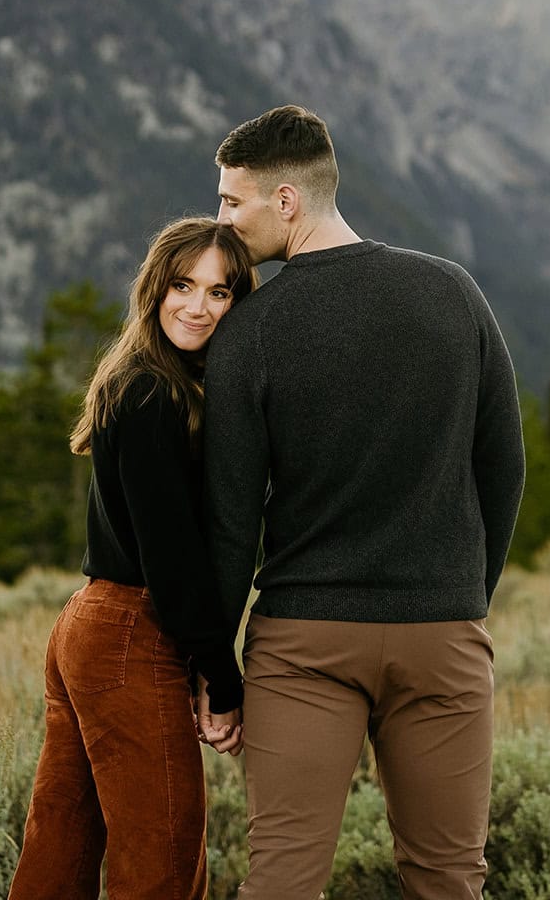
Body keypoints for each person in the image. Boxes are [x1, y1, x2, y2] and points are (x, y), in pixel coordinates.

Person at [200, 105, 525, 900]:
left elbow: (230, 521)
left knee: (281, 879)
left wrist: (219, 674)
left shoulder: (249, 332)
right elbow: (504, 467)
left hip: (305, 645)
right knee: (449, 879)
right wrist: (460, 600)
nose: (221, 220)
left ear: (285, 201)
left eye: (230, 202)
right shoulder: (452, 292)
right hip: (441, 636)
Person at [8, 216, 256, 900]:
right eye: (183, 285)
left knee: (59, 845)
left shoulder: (142, 379)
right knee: (163, 865)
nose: (197, 306)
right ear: (154, 287)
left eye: (220, 291)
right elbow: (170, 554)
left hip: (91, 627)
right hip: (129, 632)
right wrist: (221, 676)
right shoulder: (153, 393)